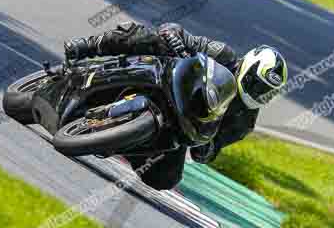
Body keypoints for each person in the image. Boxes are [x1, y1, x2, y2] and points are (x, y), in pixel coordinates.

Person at [64, 21, 287, 190]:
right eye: (258, 86)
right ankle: (87, 46)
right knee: (146, 36)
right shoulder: (223, 54)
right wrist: (174, 38)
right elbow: (180, 33)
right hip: (165, 79)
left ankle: (122, 140)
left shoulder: (244, 121)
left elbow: (210, 151)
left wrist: (207, 150)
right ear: (248, 68)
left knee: (165, 179)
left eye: (268, 93)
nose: (260, 94)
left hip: (177, 124)